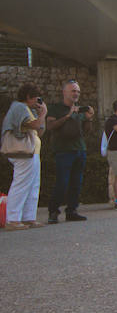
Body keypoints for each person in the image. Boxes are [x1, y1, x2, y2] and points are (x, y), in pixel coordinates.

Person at [45, 79, 94, 223]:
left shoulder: (79, 109)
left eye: (78, 91)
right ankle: (53, 211)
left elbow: (85, 132)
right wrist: (68, 115)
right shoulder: (55, 108)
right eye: (73, 90)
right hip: (63, 150)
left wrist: (89, 119)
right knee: (62, 182)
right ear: (64, 92)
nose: (76, 94)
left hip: (79, 149)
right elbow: (50, 126)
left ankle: (72, 210)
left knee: (76, 183)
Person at [2, 82, 46, 229]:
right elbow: (34, 125)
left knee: (33, 185)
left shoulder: (28, 109)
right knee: (21, 184)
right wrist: (43, 114)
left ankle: (28, 217)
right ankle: (13, 219)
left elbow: (40, 130)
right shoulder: (19, 107)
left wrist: (40, 116)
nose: (37, 101)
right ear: (28, 96)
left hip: (32, 152)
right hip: (22, 152)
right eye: (36, 98)